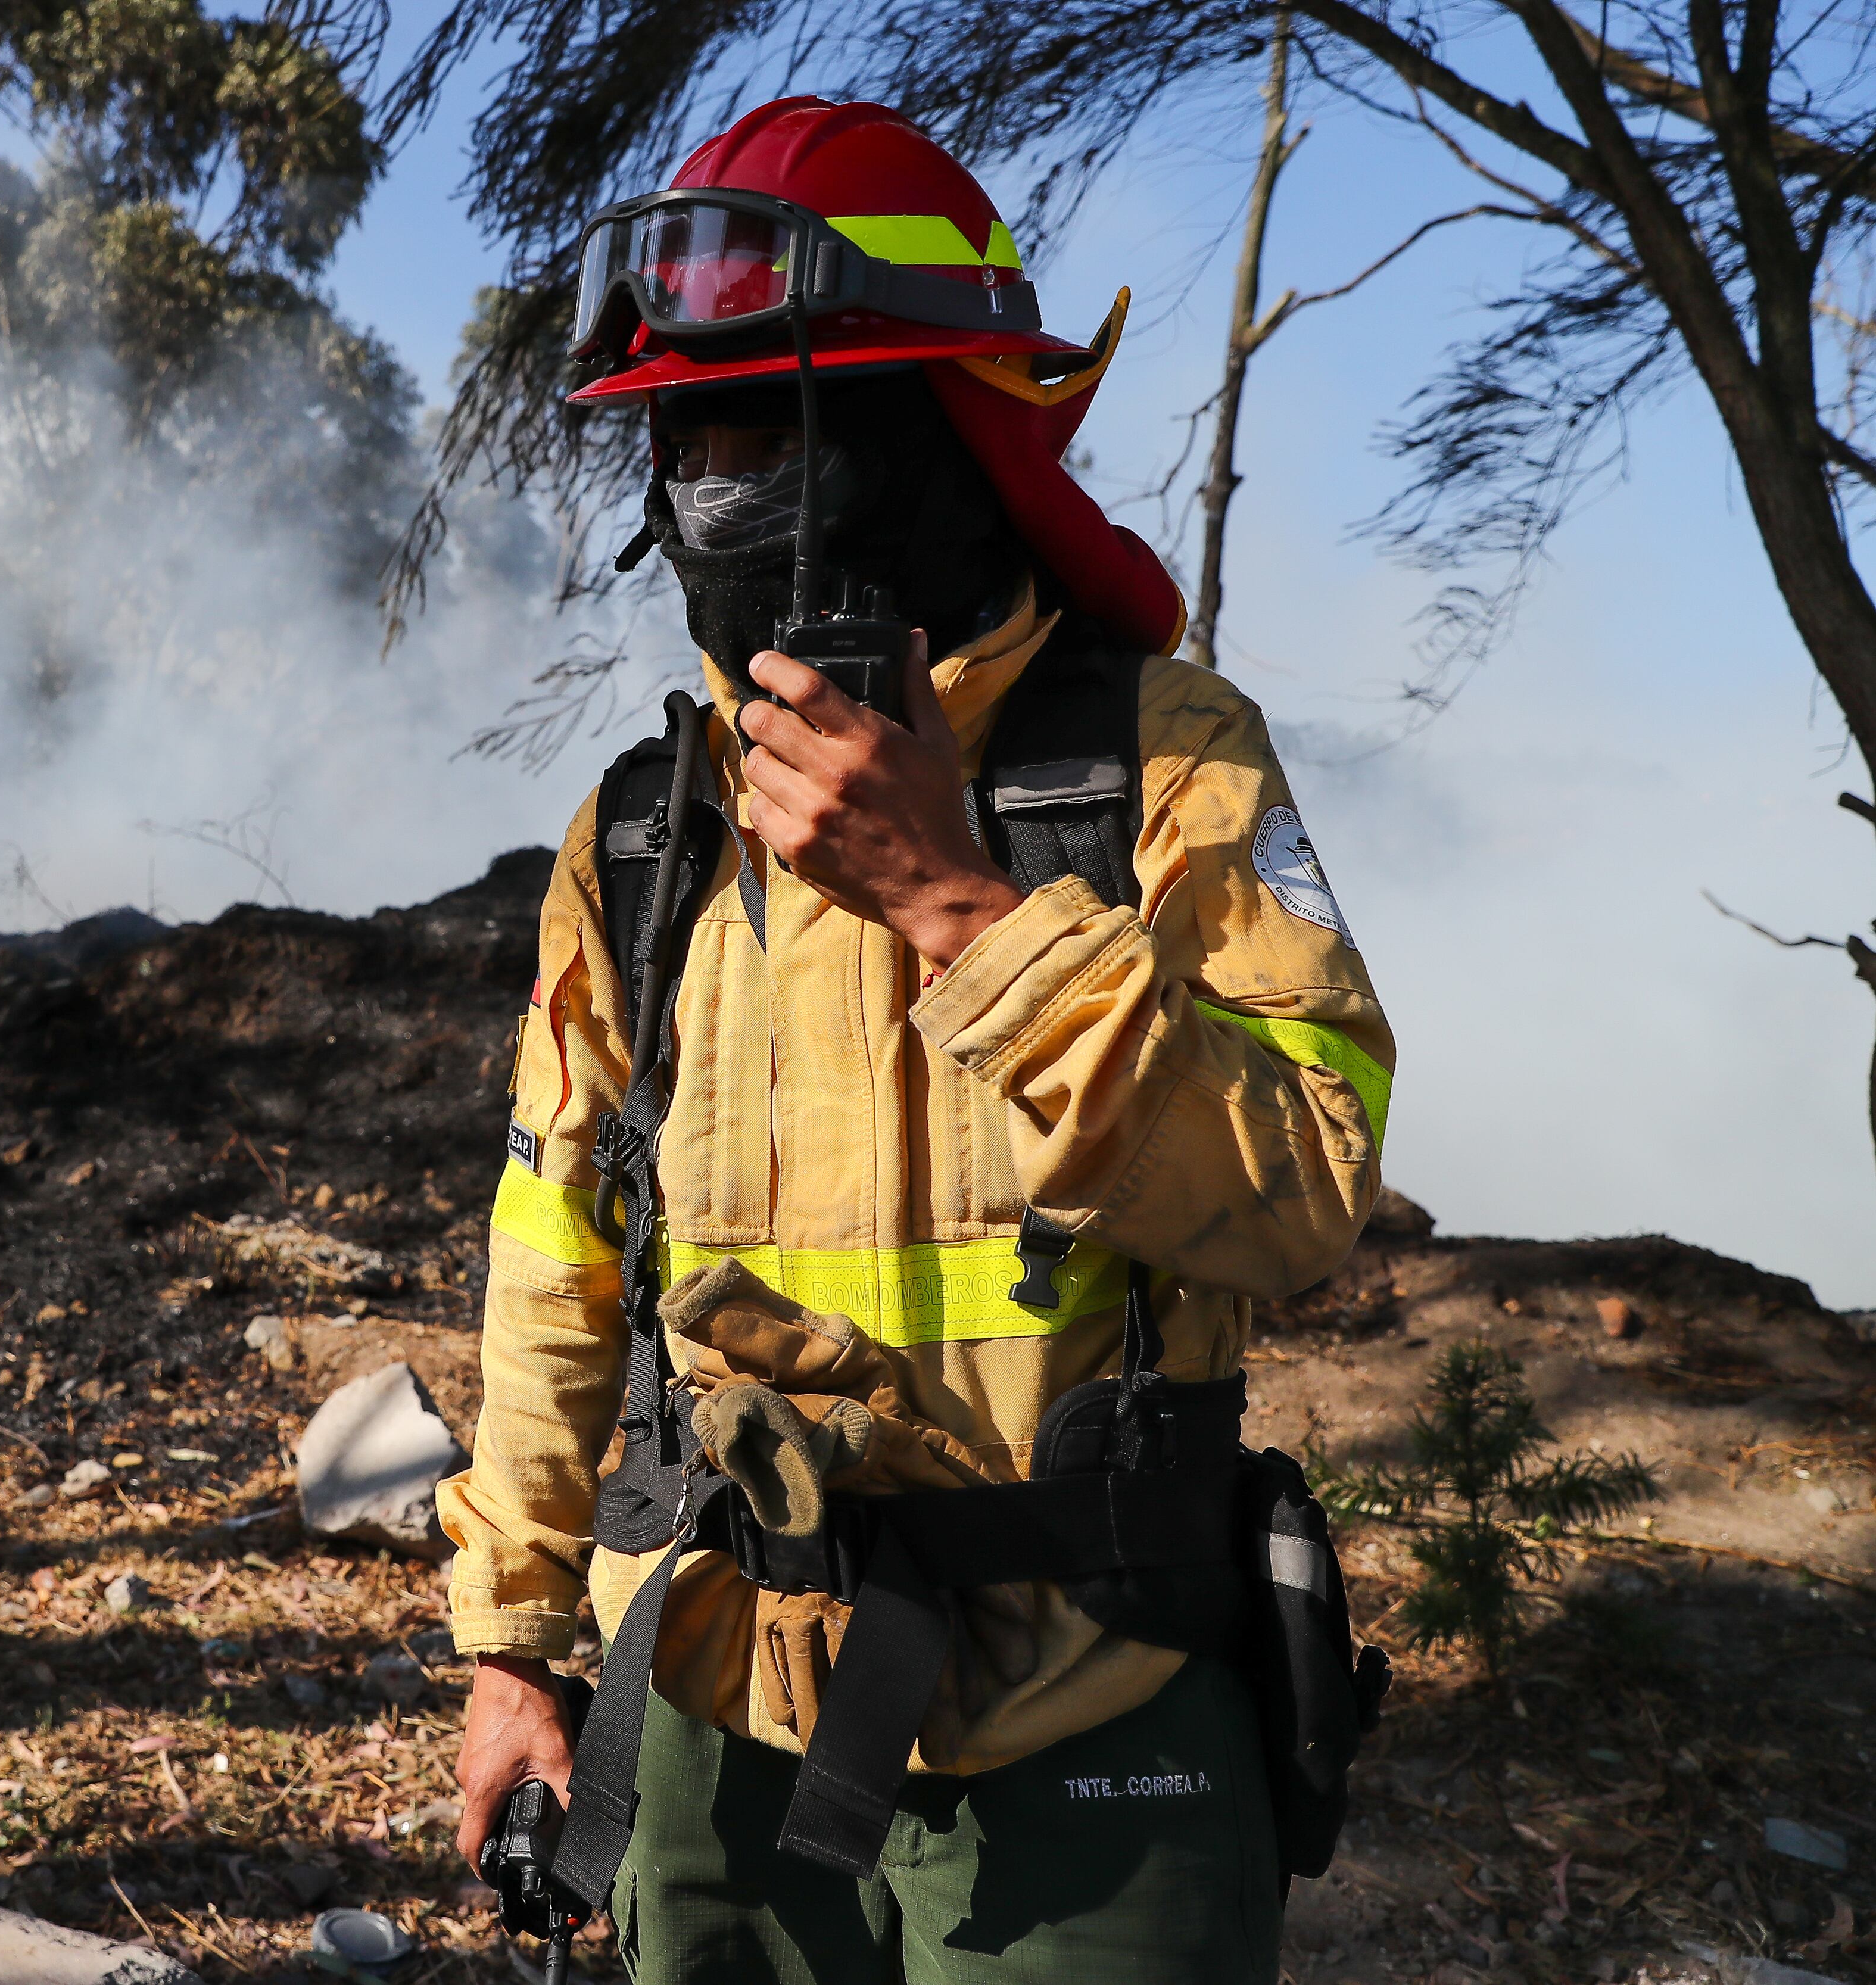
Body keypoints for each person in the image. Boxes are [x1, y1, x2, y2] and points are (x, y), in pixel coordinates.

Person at [440, 96, 1394, 1984]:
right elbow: (556, 1250)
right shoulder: (650, 833)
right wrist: (512, 1647)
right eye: (679, 436)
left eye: (763, 431)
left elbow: (1306, 1194)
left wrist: (960, 904)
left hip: (1088, 1716)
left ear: (935, 435)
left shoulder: (1168, 765)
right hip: (715, 1699)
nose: (713, 483)